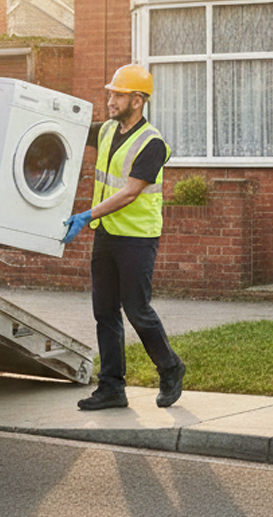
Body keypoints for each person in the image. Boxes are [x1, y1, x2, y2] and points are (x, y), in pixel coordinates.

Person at [63, 64, 185, 411]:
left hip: (136, 239)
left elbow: (131, 193)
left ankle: (171, 368)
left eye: (117, 94)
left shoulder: (152, 144)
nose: (110, 99)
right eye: (110, 93)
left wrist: (87, 215)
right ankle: (112, 387)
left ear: (137, 99)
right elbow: (69, 128)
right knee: (104, 312)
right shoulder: (106, 132)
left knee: (137, 310)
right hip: (107, 236)